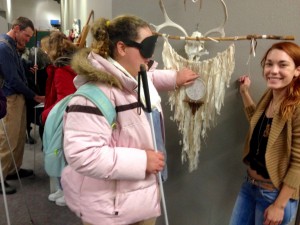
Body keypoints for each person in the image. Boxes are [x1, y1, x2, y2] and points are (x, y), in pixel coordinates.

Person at [61, 14, 199, 225]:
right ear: (122, 48)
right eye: (145, 48)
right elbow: (83, 154)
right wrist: (143, 161)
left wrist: (174, 78)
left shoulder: (133, 78)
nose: (150, 57)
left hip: (137, 200)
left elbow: (149, 77)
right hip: (111, 210)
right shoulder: (93, 97)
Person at [230, 41, 300, 225]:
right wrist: (245, 93)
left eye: (283, 65)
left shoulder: (297, 107)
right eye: (269, 64)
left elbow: (299, 162)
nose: (273, 70)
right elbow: (259, 124)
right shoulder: (270, 95)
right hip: (250, 187)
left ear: (297, 71)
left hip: (274, 194)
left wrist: (280, 205)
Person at [0, 16, 44, 195]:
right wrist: (34, 96)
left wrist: (26, 67)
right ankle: (1, 176)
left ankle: (13, 169)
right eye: (26, 36)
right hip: (10, 98)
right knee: (7, 139)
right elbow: (12, 78)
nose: (28, 40)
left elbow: (15, 69)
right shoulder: (3, 47)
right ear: (16, 29)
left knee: (18, 137)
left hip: (18, 97)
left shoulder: (11, 47)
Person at [41, 31, 78, 207]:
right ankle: (64, 189)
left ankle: (67, 190)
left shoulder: (61, 70)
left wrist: (46, 114)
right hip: (67, 115)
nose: (46, 54)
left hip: (62, 117)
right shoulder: (66, 67)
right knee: (63, 154)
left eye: (47, 50)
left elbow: (64, 100)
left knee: (61, 155)